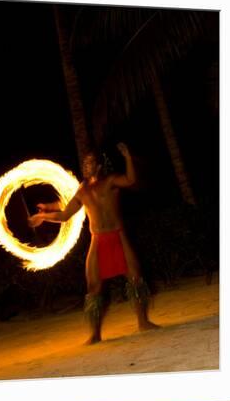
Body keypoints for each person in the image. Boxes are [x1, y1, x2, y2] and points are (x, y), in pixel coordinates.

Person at [28, 142, 159, 344]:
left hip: (118, 236)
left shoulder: (111, 181)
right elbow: (65, 214)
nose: (85, 166)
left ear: (98, 165)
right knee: (93, 287)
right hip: (97, 241)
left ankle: (143, 322)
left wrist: (127, 157)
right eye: (84, 163)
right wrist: (44, 216)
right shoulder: (82, 190)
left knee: (136, 280)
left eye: (90, 163)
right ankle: (95, 334)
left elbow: (131, 179)